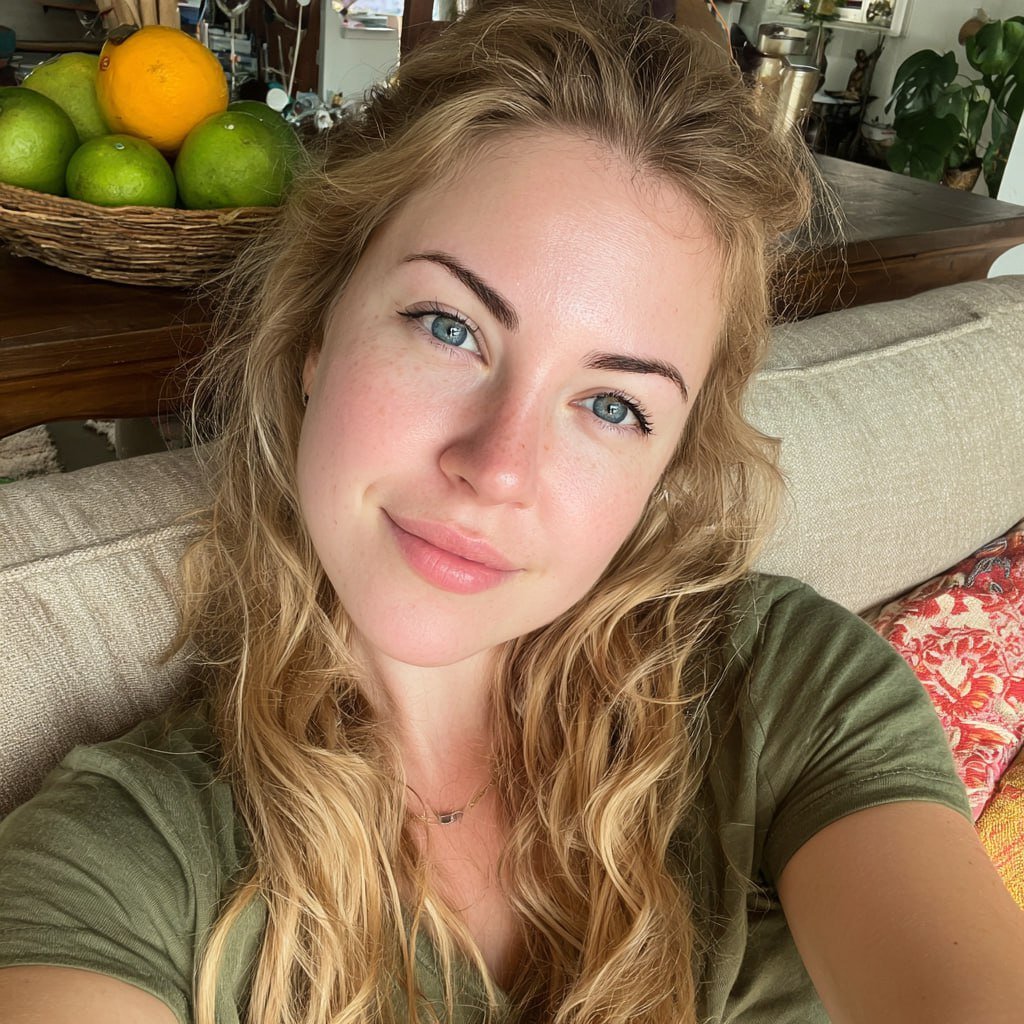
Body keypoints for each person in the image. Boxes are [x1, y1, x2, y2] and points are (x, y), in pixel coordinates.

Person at [2, 2, 1023, 1023]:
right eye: (449, 327)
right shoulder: (123, 858)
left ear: (667, 466)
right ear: (317, 329)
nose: (497, 469)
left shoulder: (785, 688)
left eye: (613, 405)